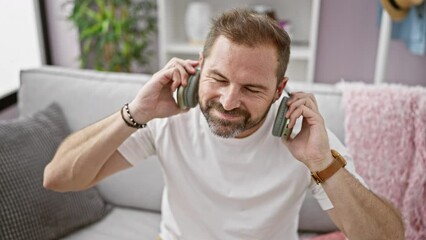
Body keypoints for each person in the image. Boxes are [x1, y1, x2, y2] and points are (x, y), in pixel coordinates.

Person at [44, 8, 404, 240]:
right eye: (218, 78)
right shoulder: (166, 118)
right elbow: (58, 178)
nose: (229, 101)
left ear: (280, 89)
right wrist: (136, 112)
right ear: (199, 66)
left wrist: (322, 164)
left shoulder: (306, 138)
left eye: (251, 88)